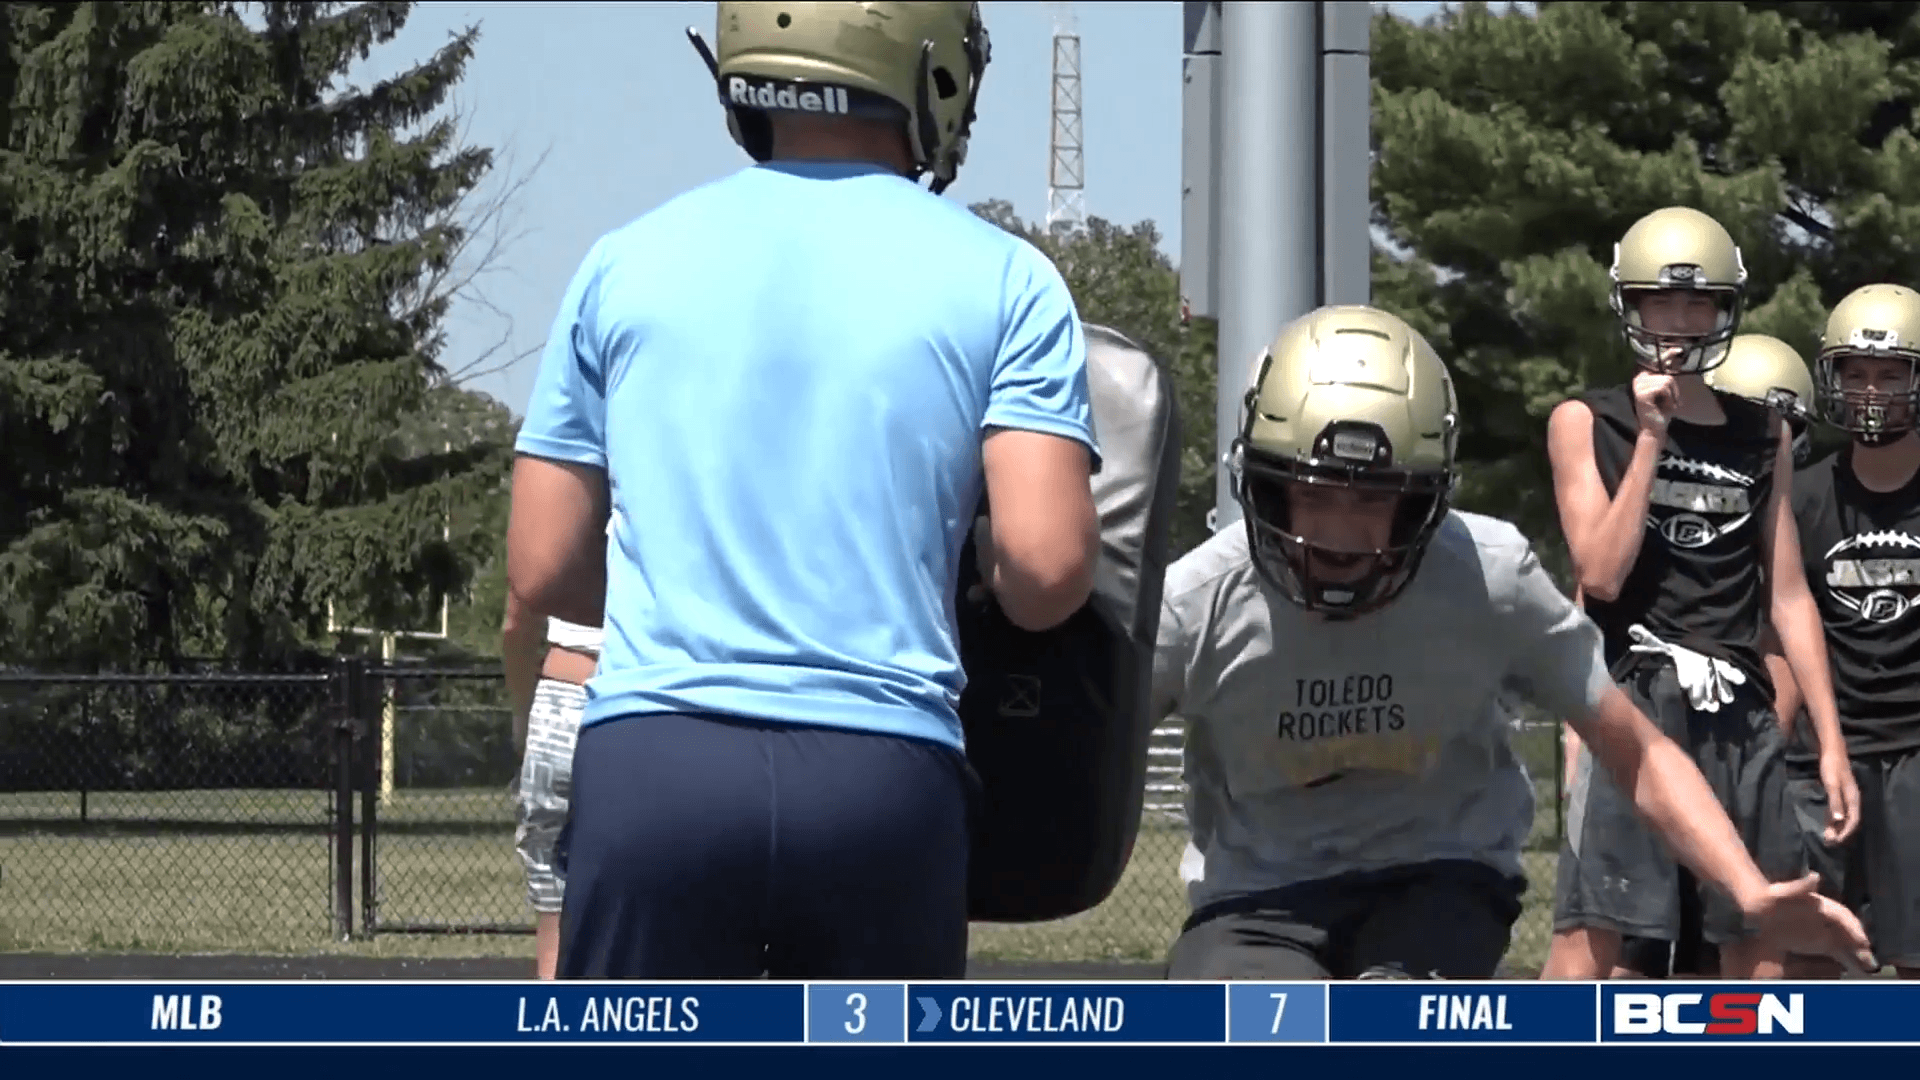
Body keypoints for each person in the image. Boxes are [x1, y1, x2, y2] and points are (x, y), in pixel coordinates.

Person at [505, 0, 1102, 980]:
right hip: (880, 771)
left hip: (658, 765)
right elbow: (1046, 573)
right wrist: (957, 551)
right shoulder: (1009, 279)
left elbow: (543, 565)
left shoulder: (623, 261)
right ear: (933, 67)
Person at [1152, 304, 1873, 981]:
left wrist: (1747, 890)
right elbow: (1090, 748)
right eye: (1314, 490)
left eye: (1374, 498)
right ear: (1266, 487)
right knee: (1249, 1034)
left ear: (1425, 497)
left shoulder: (1487, 576)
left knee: (1390, 1026)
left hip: (1436, 878)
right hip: (1258, 901)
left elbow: (1637, 748)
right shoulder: (1198, 601)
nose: (1339, 534)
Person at [1541, 206, 1861, 981]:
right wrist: (1653, 437)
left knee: (1759, 942)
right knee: (1601, 943)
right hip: (1633, 701)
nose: (1679, 322)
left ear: (1726, 311)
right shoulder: (1586, 420)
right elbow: (1602, 575)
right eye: (1661, 302)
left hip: (1740, 713)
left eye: (1698, 304)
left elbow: (1786, 595)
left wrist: (1830, 743)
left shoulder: (1764, 433)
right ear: (1630, 305)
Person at [1567, 332, 1815, 979]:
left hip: (1731, 732)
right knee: (1625, 946)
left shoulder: (1775, 475)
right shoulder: (1618, 438)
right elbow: (1592, 592)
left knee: (1734, 950)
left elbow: (1783, 625)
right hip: (1645, 709)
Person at [1782, 283, 1920, 980]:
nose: (1871, 391)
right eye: (1855, 373)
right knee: (1805, 957)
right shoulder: (1804, 494)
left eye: (1891, 374)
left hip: (1916, 754)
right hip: (1823, 756)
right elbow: (1779, 640)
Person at [502, 596, 602, 981]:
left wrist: (522, 717)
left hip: (561, 692)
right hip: (643, 698)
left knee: (552, 900)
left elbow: (517, 621)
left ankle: (555, 1029)